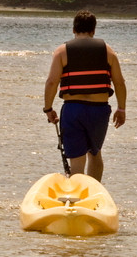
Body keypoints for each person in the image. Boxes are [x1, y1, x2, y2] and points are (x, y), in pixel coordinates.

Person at [43, 11, 126, 182]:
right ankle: (94, 192)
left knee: (76, 158)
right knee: (95, 153)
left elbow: (52, 82)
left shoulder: (62, 51)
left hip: (73, 109)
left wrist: (48, 108)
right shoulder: (108, 52)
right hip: (99, 110)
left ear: (74, 29)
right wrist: (121, 108)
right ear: (93, 30)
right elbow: (119, 82)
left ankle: (77, 197)